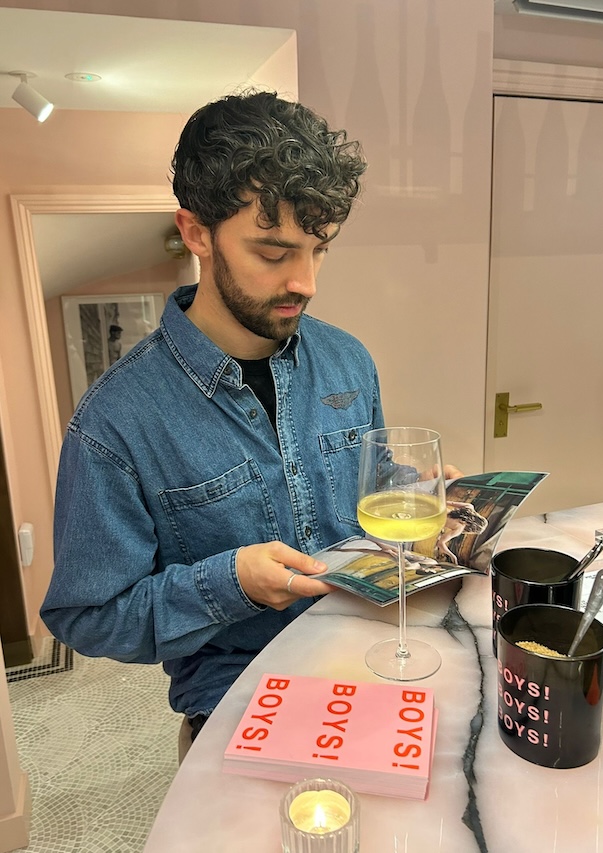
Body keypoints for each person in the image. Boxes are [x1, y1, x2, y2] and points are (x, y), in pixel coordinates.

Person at [40, 91, 379, 749]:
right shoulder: (114, 423)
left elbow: (367, 518)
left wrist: (419, 501)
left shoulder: (350, 362)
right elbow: (87, 614)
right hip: (238, 716)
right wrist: (230, 582)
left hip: (370, 678)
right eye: (273, 252)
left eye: (318, 249)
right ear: (196, 232)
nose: (305, 281)